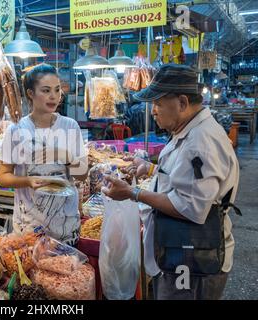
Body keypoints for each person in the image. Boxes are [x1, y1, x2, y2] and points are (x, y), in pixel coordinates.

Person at [102, 64, 241, 300]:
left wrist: (132, 193)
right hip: (178, 249)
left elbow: (192, 208)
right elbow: (187, 178)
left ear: (183, 103)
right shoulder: (189, 130)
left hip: (192, 258)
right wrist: (154, 169)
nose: (153, 111)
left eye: (157, 103)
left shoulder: (201, 141)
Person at [0, 63, 88, 246]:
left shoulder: (70, 126)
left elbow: (82, 174)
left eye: (57, 90)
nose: (53, 96)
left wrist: (64, 155)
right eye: (46, 90)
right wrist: (27, 181)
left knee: (64, 271)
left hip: (65, 219)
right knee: (32, 271)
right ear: (31, 94)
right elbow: (3, 176)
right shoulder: (16, 130)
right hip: (31, 222)